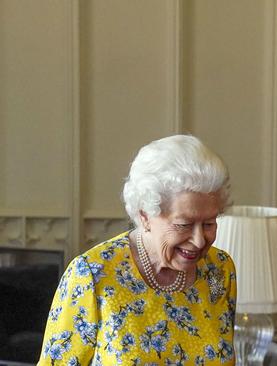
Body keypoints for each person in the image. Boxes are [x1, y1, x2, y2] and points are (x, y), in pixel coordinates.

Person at [38, 135, 237, 365]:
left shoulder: (219, 271)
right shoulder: (93, 275)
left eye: (209, 223)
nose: (199, 240)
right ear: (145, 215)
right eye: (183, 225)